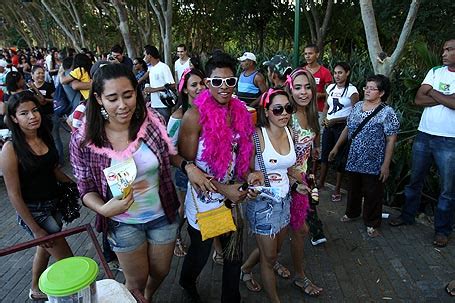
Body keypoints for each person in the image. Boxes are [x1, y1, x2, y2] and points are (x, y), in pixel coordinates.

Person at [70, 63, 196, 300]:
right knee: (135, 281)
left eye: (128, 95)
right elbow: (84, 186)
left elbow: (168, 153)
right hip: (122, 222)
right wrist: (103, 208)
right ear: (98, 98)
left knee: (160, 271)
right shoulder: (84, 139)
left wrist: (187, 167)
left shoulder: (153, 122)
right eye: (112, 98)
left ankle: (146, 298)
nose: (122, 105)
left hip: (163, 214)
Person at [178, 52, 257, 303]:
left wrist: (248, 179)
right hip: (205, 200)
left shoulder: (240, 112)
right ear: (208, 82)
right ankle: (186, 282)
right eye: (217, 82)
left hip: (231, 198)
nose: (224, 87)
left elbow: (242, 152)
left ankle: (231, 299)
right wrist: (224, 189)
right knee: (200, 253)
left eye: (230, 81)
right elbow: (187, 163)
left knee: (234, 256)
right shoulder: (194, 116)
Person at [1, 91, 73, 301]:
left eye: (34, 110)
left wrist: (78, 185)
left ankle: (35, 288)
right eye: (24, 113)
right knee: (69, 261)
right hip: (34, 213)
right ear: (14, 118)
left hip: (54, 204)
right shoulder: (10, 149)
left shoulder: (45, 136)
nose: (32, 116)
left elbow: (53, 170)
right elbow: (13, 195)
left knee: (44, 248)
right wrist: (36, 229)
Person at [389, 39, 455, 247]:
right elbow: (419, 98)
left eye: (449, 49)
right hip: (424, 134)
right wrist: (445, 96)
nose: (443, 53)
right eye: (443, 49)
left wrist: (433, 93)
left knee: (447, 189)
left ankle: (442, 230)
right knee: (415, 179)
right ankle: (407, 215)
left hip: (449, 139)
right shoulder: (435, 71)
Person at [241, 88, 296, 303]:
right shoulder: (257, 136)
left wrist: (297, 182)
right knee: (270, 257)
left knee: (275, 250)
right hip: (263, 204)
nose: (284, 113)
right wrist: (250, 176)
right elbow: (242, 169)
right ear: (267, 111)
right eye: (278, 109)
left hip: (284, 200)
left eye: (288, 108)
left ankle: (245, 268)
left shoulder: (290, 132)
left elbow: (288, 168)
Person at [329, 74, 400, 237]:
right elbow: (348, 129)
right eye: (366, 87)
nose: (367, 91)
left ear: (381, 93)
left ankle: (372, 222)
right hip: (353, 158)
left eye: (372, 88)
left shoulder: (387, 112)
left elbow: (391, 140)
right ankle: (352, 213)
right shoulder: (358, 105)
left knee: (372, 192)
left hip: (373, 161)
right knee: (353, 188)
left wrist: (386, 165)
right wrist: (336, 147)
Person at [286, 68, 323, 295]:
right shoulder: (285, 115)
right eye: (298, 87)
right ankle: (300, 276)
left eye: (308, 87)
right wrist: (296, 178)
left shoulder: (312, 115)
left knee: (291, 232)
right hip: (286, 181)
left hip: (302, 180)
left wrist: (309, 173)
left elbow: (308, 149)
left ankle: (247, 268)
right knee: (295, 231)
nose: (303, 92)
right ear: (290, 88)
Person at [167, 68, 206, 257]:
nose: (200, 88)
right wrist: (187, 166)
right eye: (194, 85)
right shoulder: (178, 116)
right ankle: (175, 237)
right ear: (184, 90)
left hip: (207, 171)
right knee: (184, 208)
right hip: (185, 171)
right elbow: (169, 149)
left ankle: (216, 248)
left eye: (202, 83)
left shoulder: (209, 111)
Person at [318, 62, 359, 201]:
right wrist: (324, 119)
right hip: (329, 125)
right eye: (335, 73)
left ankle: (337, 189)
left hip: (343, 128)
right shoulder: (330, 87)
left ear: (347, 73)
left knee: (340, 157)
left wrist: (336, 120)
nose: (337, 75)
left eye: (340, 72)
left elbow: (355, 114)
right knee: (324, 154)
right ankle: (321, 183)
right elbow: (326, 106)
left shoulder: (352, 91)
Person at [143, 45, 175, 123]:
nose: (144, 57)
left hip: (163, 104)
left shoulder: (163, 67)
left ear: (149, 56)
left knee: (164, 128)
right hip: (154, 105)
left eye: (145, 55)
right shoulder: (151, 68)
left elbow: (172, 85)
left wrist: (153, 90)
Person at [302, 44, 332, 115]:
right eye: (305, 54)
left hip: (319, 111)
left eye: (310, 53)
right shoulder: (301, 71)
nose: (307, 56)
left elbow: (331, 93)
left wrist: (320, 95)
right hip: (303, 109)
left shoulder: (325, 72)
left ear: (317, 55)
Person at [28, 65, 55, 129]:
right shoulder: (28, 87)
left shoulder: (49, 86)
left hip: (48, 115)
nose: (41, 75)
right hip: (35, 117)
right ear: (32, 75)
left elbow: (55, 99)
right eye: (38, 73)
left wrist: (46, 100)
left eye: (42, 73)